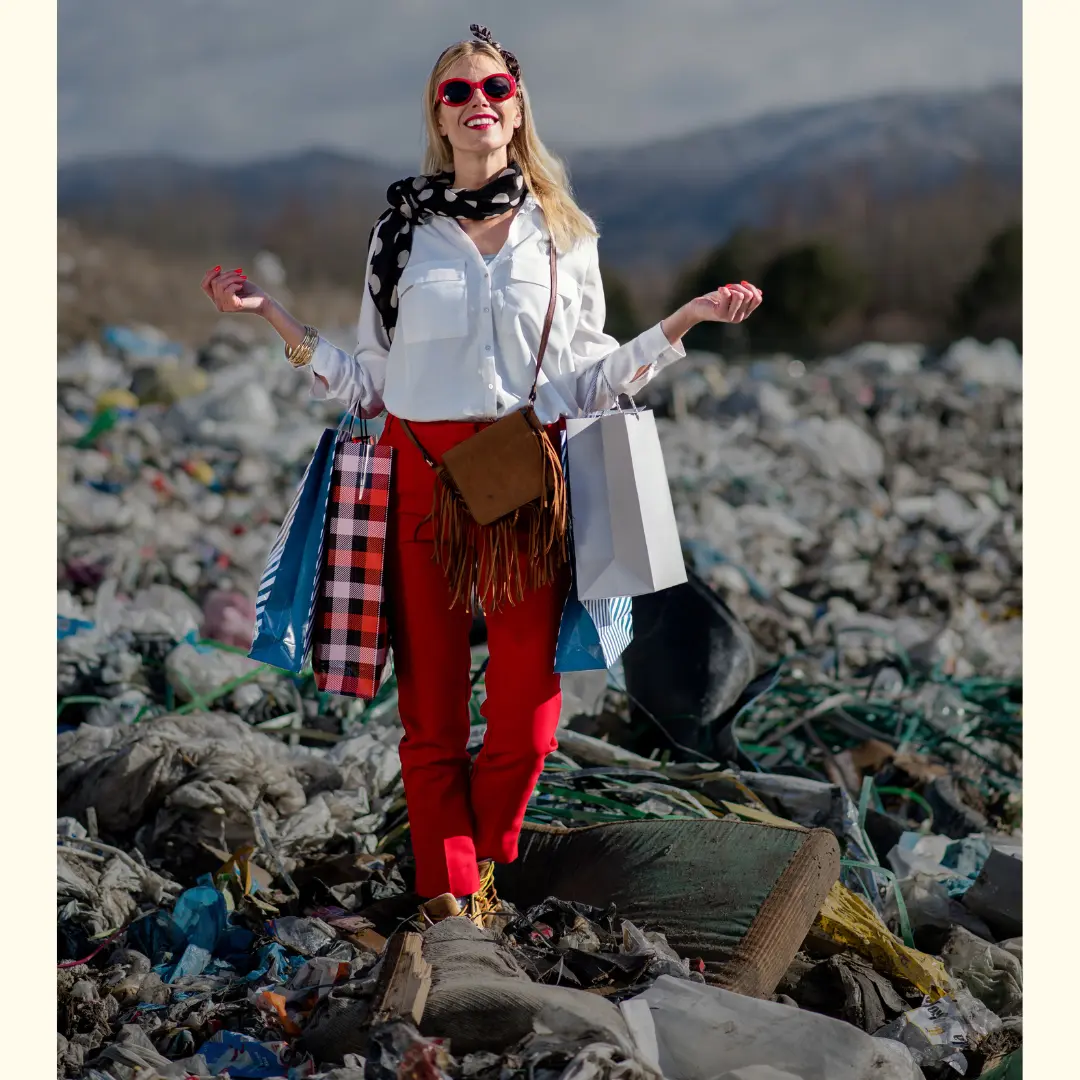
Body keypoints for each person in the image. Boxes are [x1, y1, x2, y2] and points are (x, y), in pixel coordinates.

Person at [201, 24, 762, 928]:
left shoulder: (563, 234)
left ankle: (486, 852)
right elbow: (367, 385)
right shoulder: (400, 233)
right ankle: (448, 894)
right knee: (428, 718)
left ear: (518, 105)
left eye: (494, 88)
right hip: (417, 479)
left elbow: (585, 379)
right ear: (438, 113)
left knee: (527, 715)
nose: (478, 105)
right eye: (457, 92)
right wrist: (273, 317)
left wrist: (681, 325)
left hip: (521, 489)